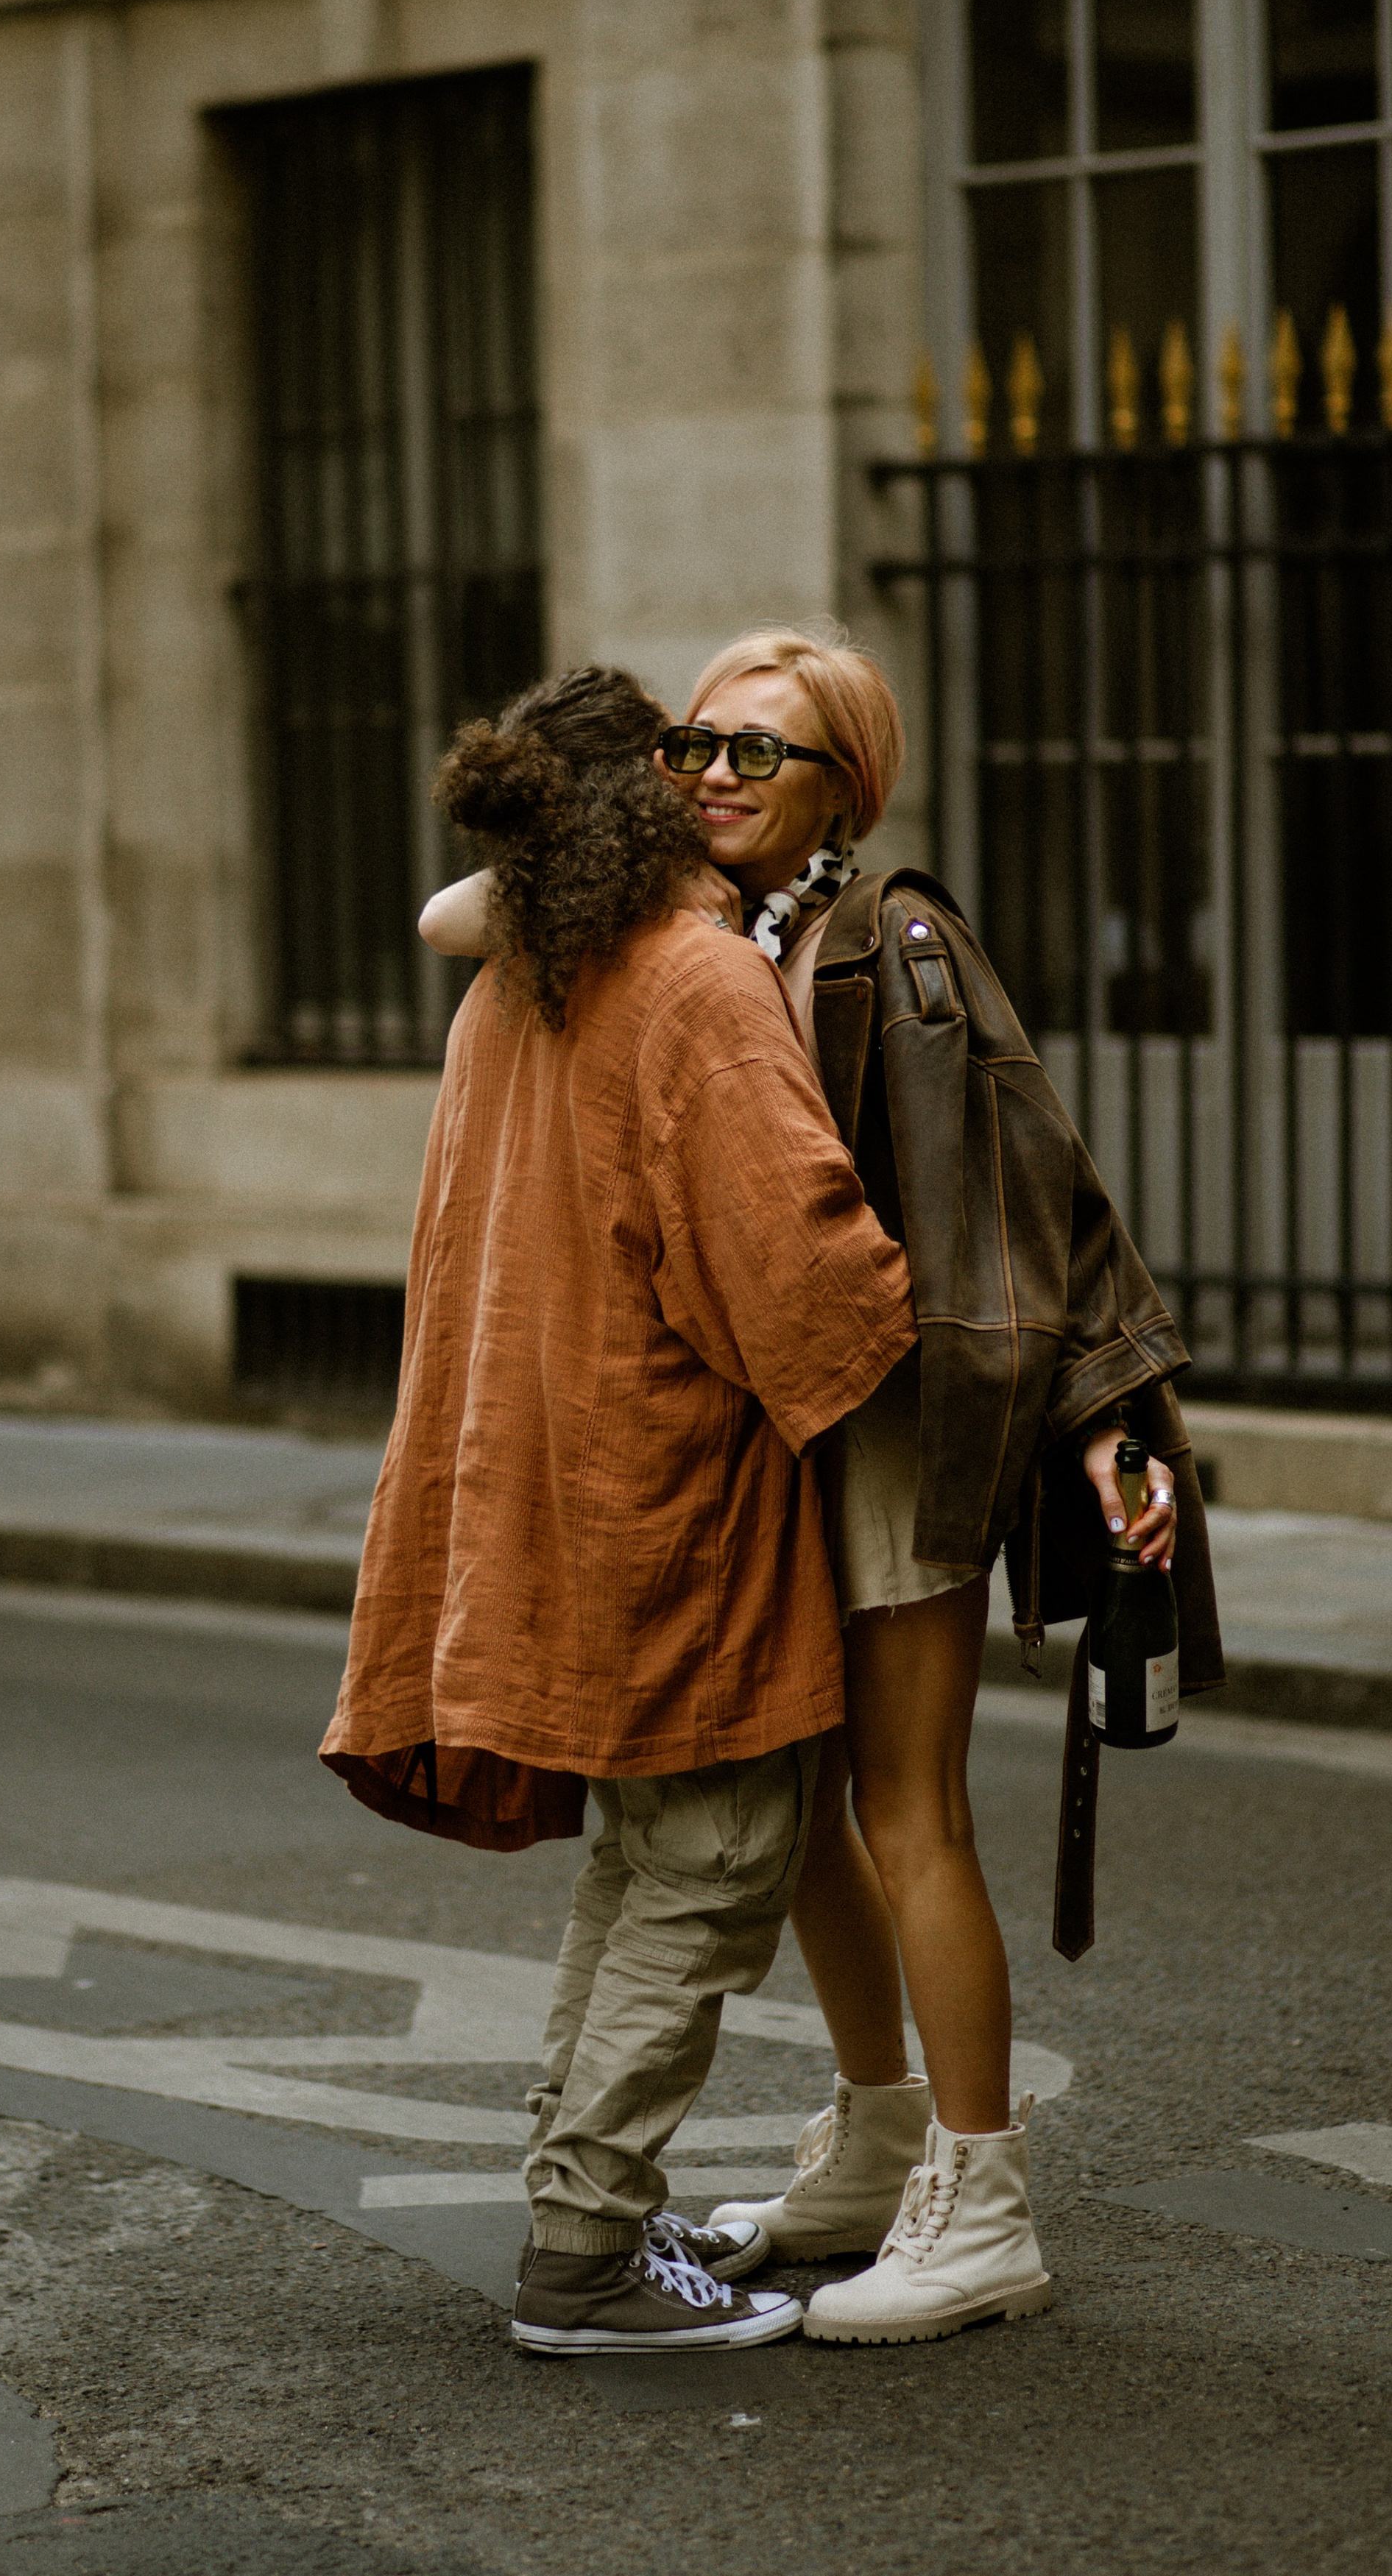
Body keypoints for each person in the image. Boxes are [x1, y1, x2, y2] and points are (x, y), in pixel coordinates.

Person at [425, 624, 1222, 2350]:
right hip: (772, 1433)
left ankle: (979, 2195)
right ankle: (868, 2145)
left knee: (903, 1811)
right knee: (780, 1821)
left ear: (844, 788)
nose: (712, 774)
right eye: (692, 743)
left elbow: (1034, 1187)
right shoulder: (692, 929)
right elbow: (450, 915)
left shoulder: (892, 936)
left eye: (758, 754)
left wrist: (1109, 1423)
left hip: (889, 1424)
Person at [321, 664, 922, 2356]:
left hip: (540, 1487)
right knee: (711, 1870)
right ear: (653, 802)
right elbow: (807, 1285)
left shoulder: (523, 970)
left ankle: (583, 2205)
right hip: (668, 1508)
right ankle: (582, 2257)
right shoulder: (693, 982)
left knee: (637, 1876)